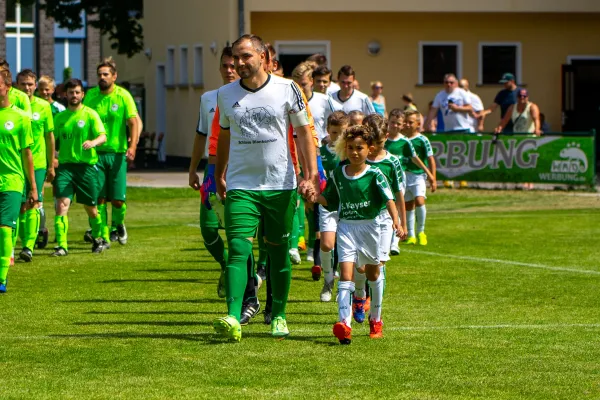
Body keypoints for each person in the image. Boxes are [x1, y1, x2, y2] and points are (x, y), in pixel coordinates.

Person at [212, 34, 319, 342]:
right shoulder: (225, 94)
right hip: (241, 185)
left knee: (277, 254)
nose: (239, 63)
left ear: (262, 57)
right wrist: (220, 174)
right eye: (235, 57)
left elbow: (303, 132)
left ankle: (280, 316)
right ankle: (233, 316)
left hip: (280, 185)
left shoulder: (288, 89)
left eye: (245, 56)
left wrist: (310, 174)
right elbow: (225, 137)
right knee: (239, 249)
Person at [317, 125, 400, 344]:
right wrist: (313, 196)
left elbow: (389, 199)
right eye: (351, 148)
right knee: (346, 275)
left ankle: (376, 319)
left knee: (373, 275)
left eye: (359, 148)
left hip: (370, 228)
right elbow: (330, 201)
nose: (355, 152)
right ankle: (344, 324)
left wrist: (396, 222)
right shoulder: (339, 174)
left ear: (369, 149)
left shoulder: (375, 174)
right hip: (346, 227)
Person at [189, 46, 239, 299]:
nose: (229, 70)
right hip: (211, 169)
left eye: (234, 65)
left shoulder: (249, 96)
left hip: (240, 168)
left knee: (239, 230)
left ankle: (246, 282)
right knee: (208, 229)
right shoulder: (208, 98)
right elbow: (200, 135)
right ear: (219, 68)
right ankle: (225, 264)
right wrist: (192, 169)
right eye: (225, 65)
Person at [350, 114, 406, 324]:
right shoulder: (357, 160)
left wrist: (400, 222)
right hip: (360, 219)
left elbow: (399, 192)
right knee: (361, 266)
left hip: (383, 219)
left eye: (379, 142)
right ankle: (359, 295)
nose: (374, 147)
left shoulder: (392, 162)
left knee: (378, 265)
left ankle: (376, 319)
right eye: (371, 142)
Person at [83, 57, 142, 247]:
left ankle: (119, 224)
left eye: (106, 74)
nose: (102, 77)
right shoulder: (90, 96)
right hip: (95, 155)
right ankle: (103, 235)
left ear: (114, 76)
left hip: (117, 153)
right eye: (99, 74)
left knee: (117, 200)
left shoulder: (123, 96)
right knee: (99, 197)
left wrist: (132, 147)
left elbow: (133, 122)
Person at [291, 61, 337, 275]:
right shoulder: (290, 100)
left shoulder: (323, 100)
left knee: (315, 200)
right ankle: (299, 242)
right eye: (296, 84)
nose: (300, 88)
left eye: (303, 84)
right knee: (298, 201)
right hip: (292, 153)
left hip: (316, 154)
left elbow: (338, 122)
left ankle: (316, 251)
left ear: (311, 82)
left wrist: (329, 139)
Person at [51, 78, 107, 256]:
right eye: (70, 92)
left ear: (82, 94)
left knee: (91, 208)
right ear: (65, 95)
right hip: (66, 168)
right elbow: (52, 141)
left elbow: (102, 136)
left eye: (77, 92)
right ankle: (61, 246)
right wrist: (51, 159)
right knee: (62, 205)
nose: (73, 95)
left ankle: (98, 239)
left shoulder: (90, 114)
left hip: (86, 168)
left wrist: (93, 142)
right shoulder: (59, 118)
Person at [0, 67, 36, 293]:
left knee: (4, 229)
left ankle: (1, 277)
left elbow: (27, 154)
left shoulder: (21, 118)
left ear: (7, 88)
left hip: (12, 181)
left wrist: (33, 187)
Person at [15, 69, 55, 261]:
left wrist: (51, 164)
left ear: (35, 86)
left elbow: (49, 136)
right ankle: (19, 242)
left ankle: (28, 247)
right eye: (23, 84)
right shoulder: (11, 104)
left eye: (30, 84)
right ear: (17, 85)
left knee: (33, 202)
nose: (27, 88)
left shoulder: (43, 107)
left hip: (38, 163)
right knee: (20, 205)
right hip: (16, 163)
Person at [385, 108, 435, 253]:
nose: (395, 126)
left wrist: (430, 174)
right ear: (388, 122)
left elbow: (415, 158)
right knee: (393, 210)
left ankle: (400, 240)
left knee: (403, 207)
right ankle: (404, 235)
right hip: (385, 180)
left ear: (401, 126)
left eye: (398, 123)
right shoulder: (382, 139)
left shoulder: (405, 142)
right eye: (392, 122)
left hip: (402, 180)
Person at [318, 111, 348, 301]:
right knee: (327, 244)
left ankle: (345, 288)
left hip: (347, 205)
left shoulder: (349, 153)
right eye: (335, 132)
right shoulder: (320, 153)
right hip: (327, 204)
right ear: (328, 130)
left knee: (346, 248)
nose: (338, 137)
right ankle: (328, 280)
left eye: (342, 132)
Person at [403, 110, 436, 245]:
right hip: (405, 176)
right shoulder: (402, 139)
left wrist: (433, 177)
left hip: (418, 176)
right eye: (406, 122)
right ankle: (411, 235)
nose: (408, 124)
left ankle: (421, 232)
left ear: (417, 124)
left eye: (411, 122)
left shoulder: (423, 139)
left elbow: (431, 158)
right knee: (408, 205)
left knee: (420, 201)